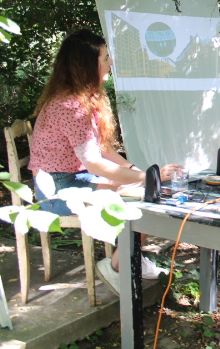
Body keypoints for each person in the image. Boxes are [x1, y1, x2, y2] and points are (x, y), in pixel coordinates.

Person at [28, 29, 181, 294]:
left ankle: (125, 258)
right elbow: (95, 163)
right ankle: (120, 264)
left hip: (74, 178)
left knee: (150, 193)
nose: (111, 62)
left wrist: (138, 172)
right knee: (146, 198)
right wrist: (148, 177)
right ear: (87, 64)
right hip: (56, 191)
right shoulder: (70, 106)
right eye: (105, 58)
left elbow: (103, 150)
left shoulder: (85, 98)